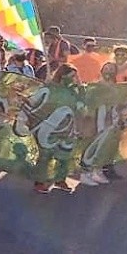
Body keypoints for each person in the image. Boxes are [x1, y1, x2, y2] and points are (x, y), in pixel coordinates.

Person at [33, 63, 80, 194]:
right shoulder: (50, 88)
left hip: (68, 128)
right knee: (45, 155)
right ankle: (39, 182)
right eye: (71, 76)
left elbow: (80, 106)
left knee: (65, 156)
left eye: (75, 76)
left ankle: (60, 180)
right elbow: (37, 104)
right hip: (50, 128)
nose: (73, 79)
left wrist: (79, 87)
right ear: (62, 75)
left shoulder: (73, 90)